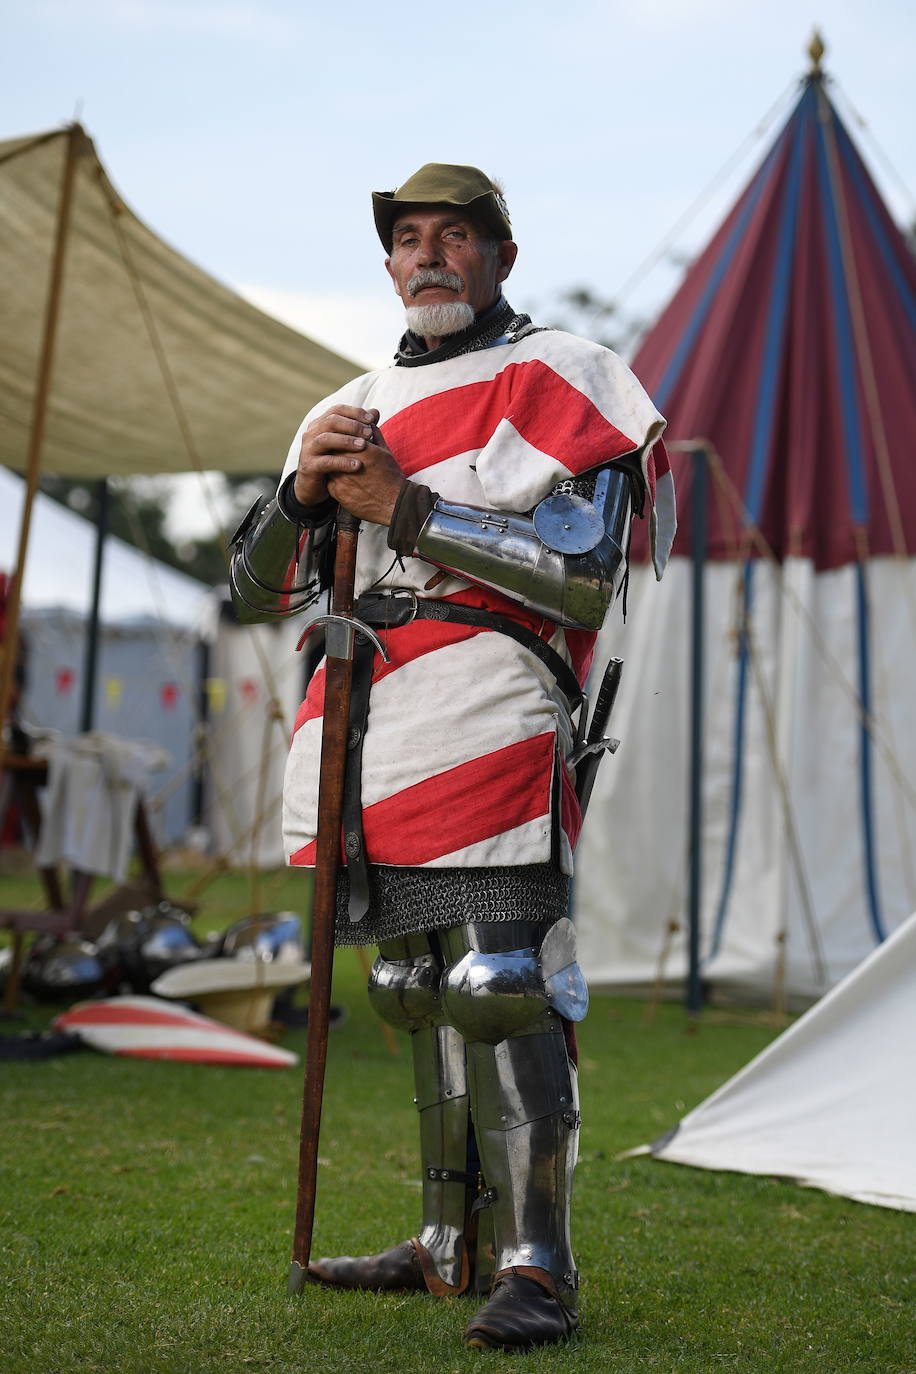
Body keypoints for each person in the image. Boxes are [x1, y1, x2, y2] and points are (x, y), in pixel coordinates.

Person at [230, 164, 674, 1352]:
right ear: (388, 264)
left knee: (500, 983)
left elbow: (586, 577)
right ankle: (443, 1239)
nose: (428, 255)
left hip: (493, 705)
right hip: (372, 720)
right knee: (413, 987)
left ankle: (537, 1264)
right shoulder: (351, 402)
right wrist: (302, 493)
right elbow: (256, 590)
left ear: (500, 256)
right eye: (409, 239)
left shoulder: (564, 377)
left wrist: (407, 509)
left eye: (455, 236)